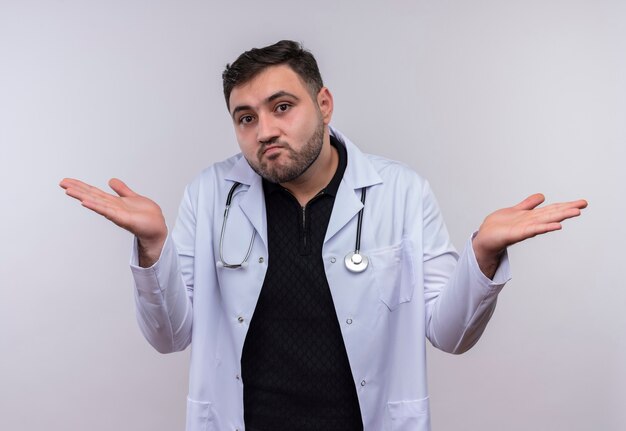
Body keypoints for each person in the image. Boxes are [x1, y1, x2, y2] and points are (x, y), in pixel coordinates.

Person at [60, 40, 587, 431]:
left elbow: (449, 334)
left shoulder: (400, 191)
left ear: (324, 104)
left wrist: (483, 255)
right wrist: (154, 249)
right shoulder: (210, 192)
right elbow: (170, 335)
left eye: (282, 107)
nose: (264, 130)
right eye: (246, 118)